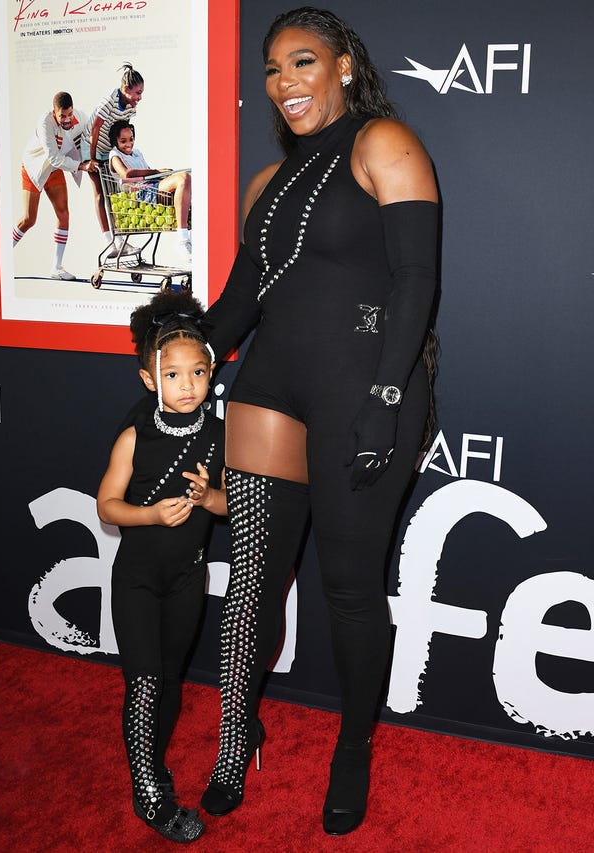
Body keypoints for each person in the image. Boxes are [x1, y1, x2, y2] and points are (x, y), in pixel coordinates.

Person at [199, 6, 439, 837]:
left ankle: (354, 746)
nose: (284, 82)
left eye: (302, 62)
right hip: (270, 390)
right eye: (271, 70)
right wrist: (172, 345)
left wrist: (386, 396)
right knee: (250, 582)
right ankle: (236, 737)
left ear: (342, 66)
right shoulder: (264, 185)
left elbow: (415, 280)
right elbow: (238, 305)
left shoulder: (385, 144)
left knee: (347, 588)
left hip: (363, 393)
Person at [97, 289, 227, 844]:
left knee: (169, 682)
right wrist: (149, 514)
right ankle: (149, 793)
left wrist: (206, 499)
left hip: (187, 579)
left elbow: (234, 504)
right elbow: (107, 505)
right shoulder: (135, 434)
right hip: (138, 580)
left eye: (198, 372)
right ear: (150, 379)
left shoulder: (221, 435)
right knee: (145, 683)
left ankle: (149, 760)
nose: (188, 384)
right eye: (173, 375)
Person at [12, 91, 98, 280]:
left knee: (63, 214)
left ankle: (56, 268)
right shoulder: (45, 122)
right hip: (34, 169)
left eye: (69, 114)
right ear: (54, 112)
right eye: (62, 116)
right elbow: (53, 157)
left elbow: (88, 137)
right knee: (29, 219)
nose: (67, 119)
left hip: (55, 169)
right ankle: (4, 257)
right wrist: (82, 166)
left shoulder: (80, 117)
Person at [108, 119, 192, 262]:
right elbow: (126, 174)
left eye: (131, 139)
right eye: (123, 141)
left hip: (151, 187)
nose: (129, 144)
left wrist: (162, 174)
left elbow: (147, 174)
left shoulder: (137, 153)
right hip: (140, 194)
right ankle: (183, 240)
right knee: (183, 178)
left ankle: (191, 238)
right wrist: (157, 171)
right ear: (115, 141)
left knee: (190, 181)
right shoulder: (114, 155)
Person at [83, 63, 145, 256]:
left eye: (141, 93)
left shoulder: (130, 109)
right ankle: (109, 243)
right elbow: (95, 129)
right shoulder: (108, 102)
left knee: (115, 195)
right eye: (137, 93)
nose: (140, 98)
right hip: (91, 146)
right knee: (100, 195)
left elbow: (123, 133)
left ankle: (120, 242)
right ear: (126, 90)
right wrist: (92, 159)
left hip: (108, 150)